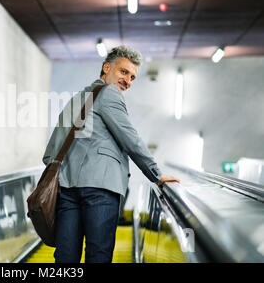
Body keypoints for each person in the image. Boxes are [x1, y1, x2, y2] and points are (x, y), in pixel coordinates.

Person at [42, 45, 180, 263]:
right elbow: (130, 139)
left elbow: (53, 147)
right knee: (99, 254)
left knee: (66, 257)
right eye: (123, 72)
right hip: (100, 189)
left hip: (67, 189)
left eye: (133, 77)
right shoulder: (110, 93)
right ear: (107, 68)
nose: (128, 81)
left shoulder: (78, 98)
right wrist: (157, 174)